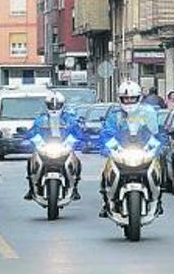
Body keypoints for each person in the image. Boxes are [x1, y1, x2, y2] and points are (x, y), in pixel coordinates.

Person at [98, 80, 164, 218]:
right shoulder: (115, 115)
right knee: (107, 170)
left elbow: (157, 133)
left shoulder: (148, 113)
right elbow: (106, 133)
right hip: (121, 152)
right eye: (125, 98)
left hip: (143, 151)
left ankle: (158, 199)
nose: (128, 101)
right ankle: (107, 201)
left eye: (132, 98)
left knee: (157, 168)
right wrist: (107, 147)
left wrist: (158, 146)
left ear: (139, 98)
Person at [23, 91, 84, 201]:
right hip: (45, 148)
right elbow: (32, 133)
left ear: (62, 105)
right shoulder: (41, 119)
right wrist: (36, 141)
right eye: (51, 105)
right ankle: (31, 187)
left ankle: (74, 187)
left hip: (64, 148)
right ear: (47, 105)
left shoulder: (69, 119)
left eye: (57, 105)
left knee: (77, 162)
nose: (54, 107)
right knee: (30, 161)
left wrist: (72, 142)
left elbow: (78, 133)